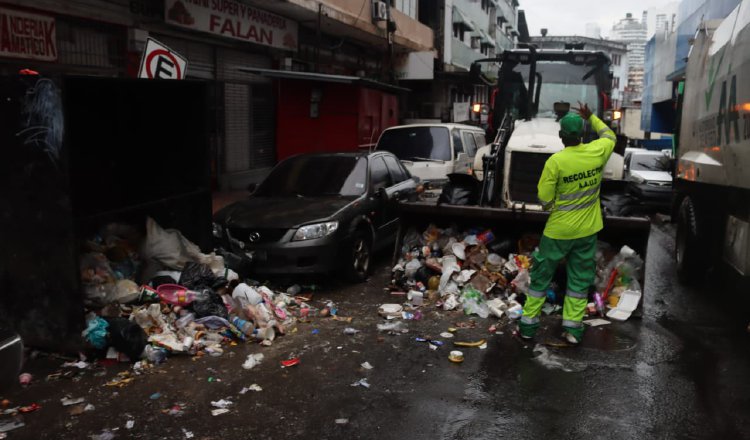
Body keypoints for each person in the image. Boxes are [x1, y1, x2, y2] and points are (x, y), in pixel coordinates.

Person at [517, 102, 616, 345]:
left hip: (558, 232)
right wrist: (592, 117)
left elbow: (544, 198)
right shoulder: (597, 152)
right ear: (582, 135)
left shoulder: (556, 162)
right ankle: (572, 330)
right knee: (579, 281)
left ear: (561, 136)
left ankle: (528, 328)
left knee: (541, 278)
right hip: (587, 231)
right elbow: (609, 134)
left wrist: (552, 206)